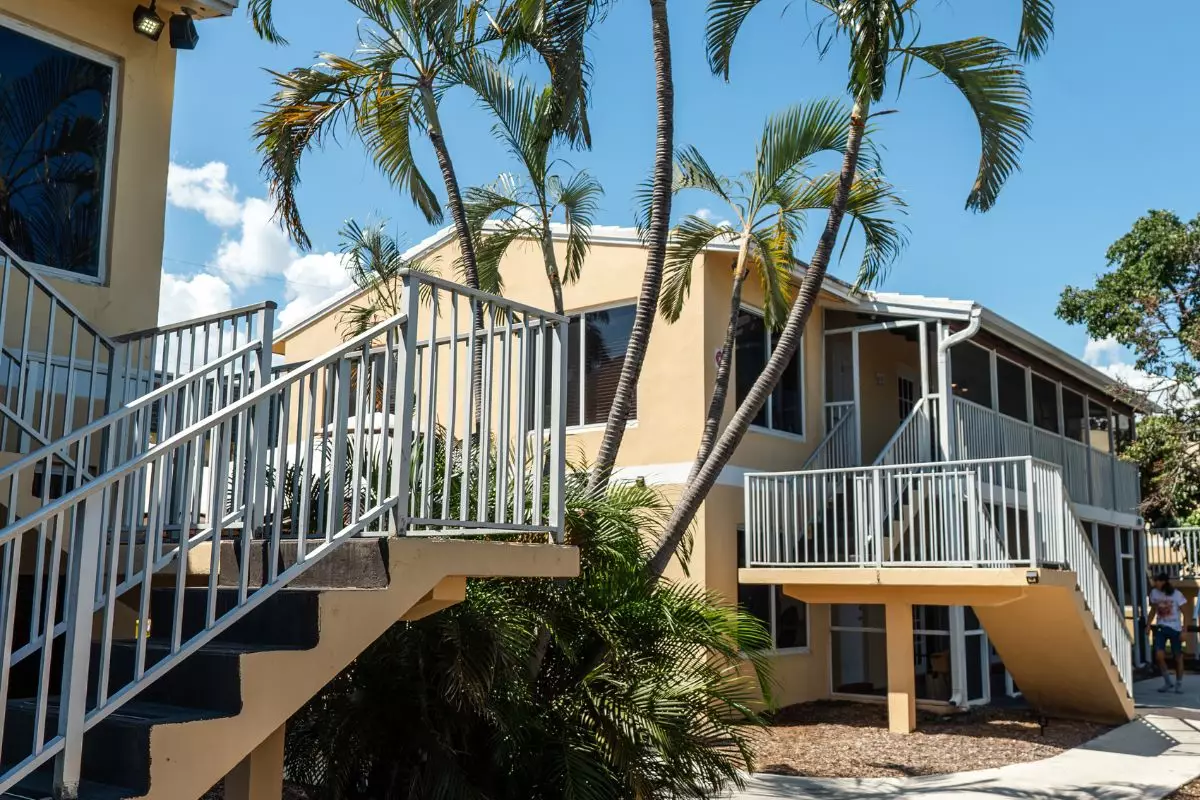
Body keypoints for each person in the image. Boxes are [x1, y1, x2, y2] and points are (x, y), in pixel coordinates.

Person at [1149, 572, 1189, 693]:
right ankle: (1167, 681)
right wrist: (1147, 624)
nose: (1155, 583)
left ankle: (1179, 683)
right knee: (1159, 655)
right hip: (1161, 627)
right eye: (1154, 580)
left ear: (1164, 582)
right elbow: (1153, 610)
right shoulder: (1154, 593)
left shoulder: (1177, 595)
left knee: (1178, 657)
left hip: (1175, 629)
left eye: (1157, 581)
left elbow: (1185, 613)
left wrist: (1184, 630)